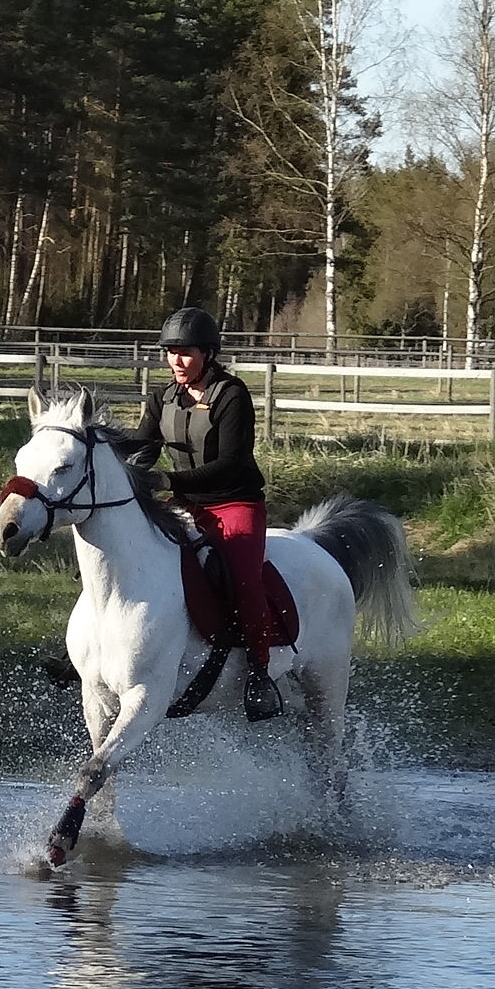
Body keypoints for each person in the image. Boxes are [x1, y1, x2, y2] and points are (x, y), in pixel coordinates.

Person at [132, 306, 282, 720]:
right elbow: (142, 450)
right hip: (186, 504)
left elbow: (232, 463)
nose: (176, 361)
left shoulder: (232, 395)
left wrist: (168, 480)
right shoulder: (161, 398)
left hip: (235, 501)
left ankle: (260, 671)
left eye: (186, 353)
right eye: (170, 352)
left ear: (208, 354)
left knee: (243, 578)